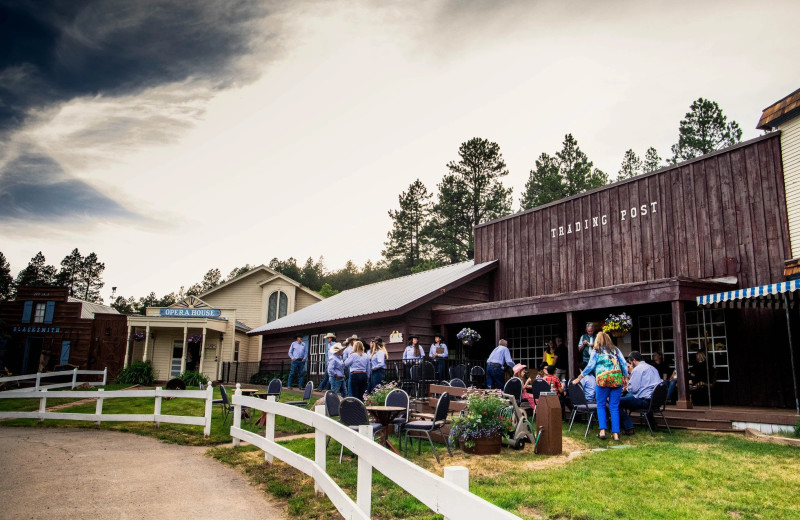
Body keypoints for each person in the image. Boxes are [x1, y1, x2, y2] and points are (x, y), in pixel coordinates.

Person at [572, 331, 628, 441]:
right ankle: (616, 433)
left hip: (602, 380)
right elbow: (624, 363)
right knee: (614, 406)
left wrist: (579, 377)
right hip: (616, 380)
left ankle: (602, 431)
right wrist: (625, 377)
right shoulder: (615, 350)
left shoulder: (596, 351)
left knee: (601, 405)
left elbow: (590, 366)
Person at [619, 351, 662, 435]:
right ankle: (652, 424)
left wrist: (625, 389)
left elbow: (634, 389)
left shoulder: (637, 369)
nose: (631, 365)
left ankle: (628, 427)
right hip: (655, 401)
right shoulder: (653, 368)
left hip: (645, 401)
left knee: (615, 403)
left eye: (630, 363)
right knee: (631, 396)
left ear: (634, 360)